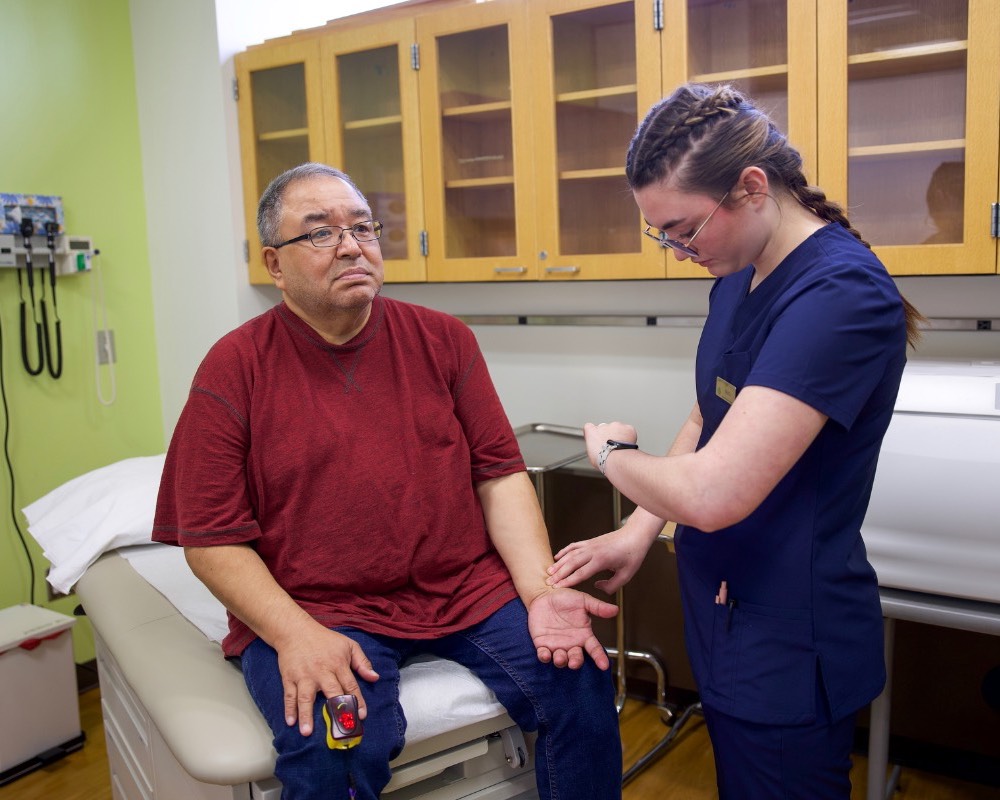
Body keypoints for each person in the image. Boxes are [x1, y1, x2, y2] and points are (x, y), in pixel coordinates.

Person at [152, 162, 622, 800]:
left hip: (462, 589)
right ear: (274, 262)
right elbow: (209, 539)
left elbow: (499, 478)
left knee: (581, 680)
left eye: (363, 227)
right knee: (334, 740)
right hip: (321, 607)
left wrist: (541, 594)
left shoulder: (443, 341)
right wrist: (294, 636)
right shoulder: (235, 369)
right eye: (319, 233)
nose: (351, 245)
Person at [547, 83, 924, 799]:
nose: (675, 250)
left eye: (684, 228)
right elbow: (707, 416)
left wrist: (612, 456)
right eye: (659, 233)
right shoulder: (738, 274)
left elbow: (717, 493)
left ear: (752, 187)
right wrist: (638, 531)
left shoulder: (839, 297)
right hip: (726, 609)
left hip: (787, 635)